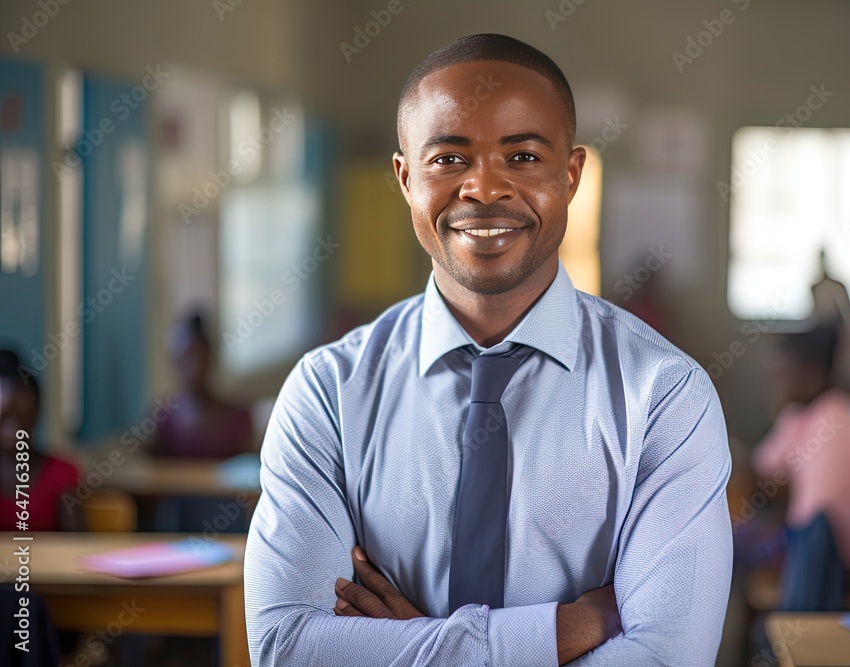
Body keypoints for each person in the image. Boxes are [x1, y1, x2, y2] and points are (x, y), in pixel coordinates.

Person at [244, 34, 732, 666]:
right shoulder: (327, 394)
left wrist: (409, 645)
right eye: (448, 159)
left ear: (572, 174)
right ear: (405, 179)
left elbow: (667, 659)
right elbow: (288, 650)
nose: (484, 188)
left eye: (523, 156)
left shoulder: (666, 396)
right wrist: (567, 628)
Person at [752, 326, 850, 586]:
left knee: (733, 549)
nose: (775, 389)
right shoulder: (803, 414)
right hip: (814, 552)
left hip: (841, 566)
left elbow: (813, 518)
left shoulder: (833, 422)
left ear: (812, 375)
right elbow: (763, 465)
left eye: (782, 376)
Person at [150, 313, 253, 459]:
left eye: (194, 354)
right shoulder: (162, 418)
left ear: (208, 354)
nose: (191, 366)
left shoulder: (239, 419)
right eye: (179, 357)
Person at [0, 350, 81, 532]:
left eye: (21, 419)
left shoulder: (62, 472)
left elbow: (76, 544)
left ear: (37, 412)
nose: (12, 432)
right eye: (4, 421)